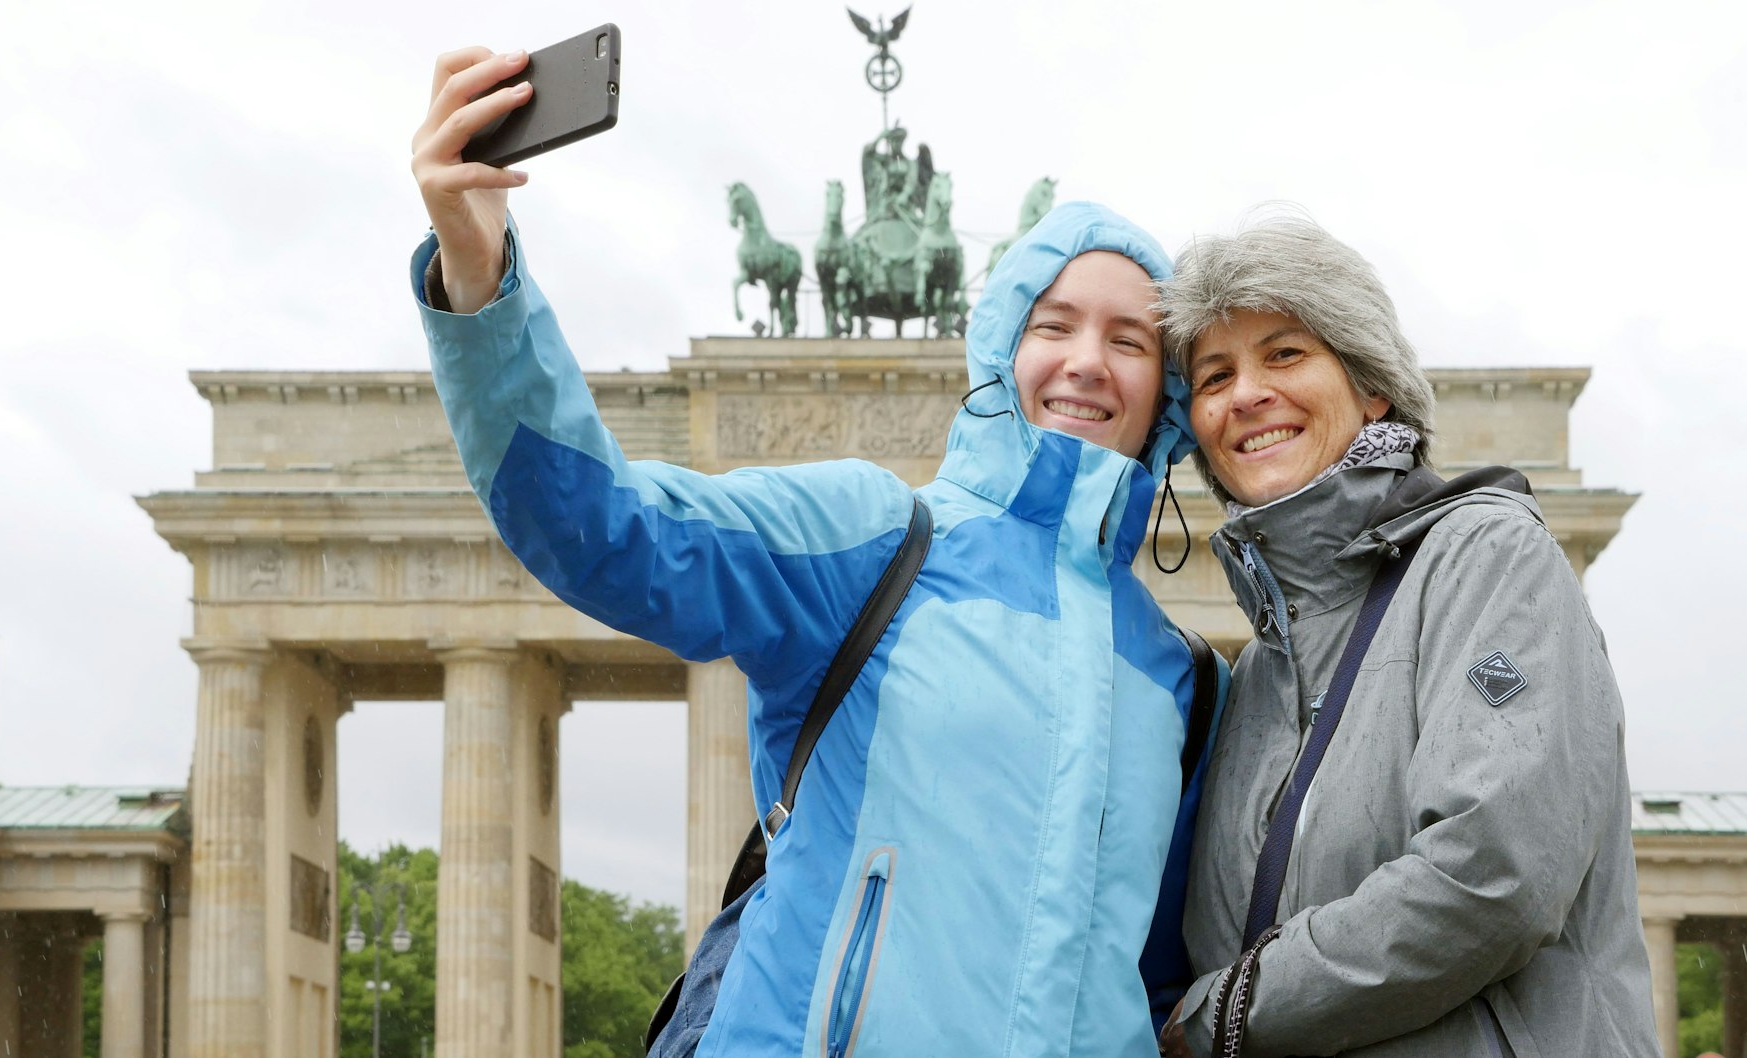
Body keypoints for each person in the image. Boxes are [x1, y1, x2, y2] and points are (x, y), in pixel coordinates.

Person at [410, 47, 1222, 1058]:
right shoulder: (873, 541)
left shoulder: (1180, 678)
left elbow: (1154, 972)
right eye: (1051, 324)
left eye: (1130, 340)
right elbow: (606, 528)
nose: (1086, 360)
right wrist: (480, 278)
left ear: (1167, 398)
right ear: (1000, 349)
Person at [1153, 211, 1660, 1057]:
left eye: (1285, 353)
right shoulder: (1258, 676)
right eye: (1214, 376)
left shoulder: (1487, 558)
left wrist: (1217, 1022)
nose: (1246, 394)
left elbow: (1493, 875)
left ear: (1370, 382)